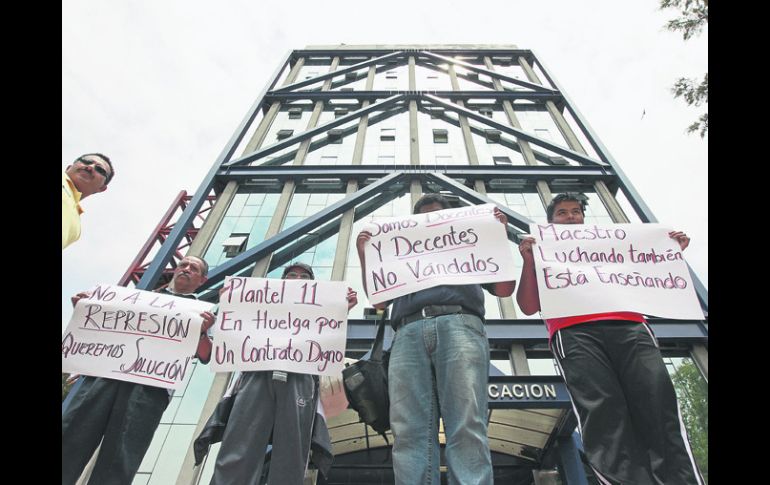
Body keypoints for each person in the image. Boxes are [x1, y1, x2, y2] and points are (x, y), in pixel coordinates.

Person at [516, 193, 704, 485]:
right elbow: (528, 306)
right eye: (562, 213)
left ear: (583, 218)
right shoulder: (543, 253)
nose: (570, 217)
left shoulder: (615, 247)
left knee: (657, 404)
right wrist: (529, 260)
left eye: (576, 211)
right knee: (603, 414)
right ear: (551, 222)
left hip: (630, 326)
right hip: (574, 333)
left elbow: (654, 280)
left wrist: (668, 251)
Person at [356, 194, 515, 485]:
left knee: (467, 423)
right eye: (424, 218)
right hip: (407, 331)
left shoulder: (471, 239)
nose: (431, 224)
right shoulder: (399, 249)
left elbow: (504, 289)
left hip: (460, 322)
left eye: (437, 216)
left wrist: (497, 237)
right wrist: (364, 252)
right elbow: (379, 301)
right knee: (408, 431)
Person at [62, 256, 216, 485]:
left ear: (202, 280)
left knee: (120, 459)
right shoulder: (136, 299)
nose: (186, 269)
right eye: (183, 265)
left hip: (150, 391)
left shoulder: (204, 313)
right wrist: (85, 311)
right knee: (70, 437)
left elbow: (205, 355)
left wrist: (203, 332)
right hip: (104, 377)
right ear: (175, 270)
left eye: (193, 268)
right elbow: (101, 328)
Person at [208, 262, 358, 485]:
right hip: (257, 375)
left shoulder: (321, 311)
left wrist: (341, 308)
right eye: (292, 275)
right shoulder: (259, 305)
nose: (297, 279)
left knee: (291, 453)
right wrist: (232, 301)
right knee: (239, 446)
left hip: (301, 379)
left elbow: (328, 339)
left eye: (304, 277)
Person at [62, 153, 115, 249]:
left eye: (100, 169)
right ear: (68, 168)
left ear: (101, 188)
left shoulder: (76, 228)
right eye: (86, 162)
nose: (90, 167)